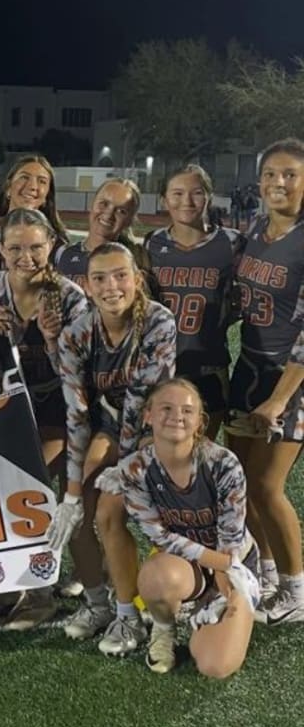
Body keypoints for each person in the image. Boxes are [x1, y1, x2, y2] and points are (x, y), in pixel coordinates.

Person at [48, 242, 176, 656]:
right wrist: (70, 491)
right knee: (76, 505)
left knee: (108, 510)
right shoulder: (76, 334)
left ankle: (129, 618)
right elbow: (78, 415)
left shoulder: (158, 322)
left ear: (138, 279)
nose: (110, 286)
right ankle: (99, 604)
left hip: (158, 433)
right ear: (86, 284)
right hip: (108, 427)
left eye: (120, 275)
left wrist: (123, 466)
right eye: (99, 277)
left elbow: (142, 405)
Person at [0, 208, 90, 629]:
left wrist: (53, 340)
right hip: (9, 408)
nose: (26, 256)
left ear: (51, 246)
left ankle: (39, 593)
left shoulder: (70, 296)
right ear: (0, 249)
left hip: (61, 408)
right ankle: (7, 581)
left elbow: (79, 376)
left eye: (36, 246)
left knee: (31, 485)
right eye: (16, 247)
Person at [96, 378, 260, 676]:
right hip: (189, 563)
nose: (177, 416)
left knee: (215, 665)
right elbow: (159, 536)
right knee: (156, 578)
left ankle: (215, 606)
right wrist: (218, 563)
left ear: (200, 421)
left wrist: (227, 580)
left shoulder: (223, 463)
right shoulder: (135, 469)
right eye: (166, 408)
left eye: (187, 410)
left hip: (234, 564)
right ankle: (164, 628)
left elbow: (231, 537)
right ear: (148, 415)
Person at [226, 138, 304, 624]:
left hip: (289, 379)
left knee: (265, 485)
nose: (280, 182)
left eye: (291, 174)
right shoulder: (254, 229)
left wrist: (279, 399)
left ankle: (297, 590)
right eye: (272, 173)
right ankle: (270, 572)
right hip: (248, 367)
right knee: (238, 485)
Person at [146, 164, 244, 440]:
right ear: (164, 199)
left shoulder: (232, 244)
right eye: (177, 193)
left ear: (209, 197)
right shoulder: (151, 244)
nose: (186, 201)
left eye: (196, 193)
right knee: (160, 456)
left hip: (209, 365)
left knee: (201, 457)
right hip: (161, 366)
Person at [0, 155, 69, 271]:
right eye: (24, 177)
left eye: (42, 181)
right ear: (8, 187)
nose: (32, 186)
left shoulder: (58, 243)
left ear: (47, 197)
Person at [55, 178, 152, 294]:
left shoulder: (135, 261)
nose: (108, 214)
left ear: (130, 221)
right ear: (91, 204)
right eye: (104, 204)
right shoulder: (63, 253)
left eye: (121, 211)